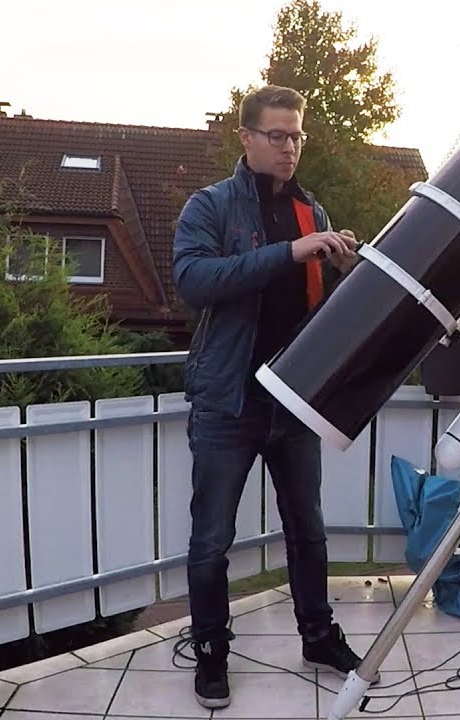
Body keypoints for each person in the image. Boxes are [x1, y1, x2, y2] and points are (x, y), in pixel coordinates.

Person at [171, 85, 363, 709]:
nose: (288, 147)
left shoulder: (314, 210)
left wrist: (342, 269)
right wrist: (291, 251)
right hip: (229, 402)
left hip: (295, 400)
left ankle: (317, 636)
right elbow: (194, 280)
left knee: (308, 529)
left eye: (297, 135)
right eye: (276, 135)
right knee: (211, 542)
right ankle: (210, 654)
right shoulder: (211, 205)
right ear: (246, 139)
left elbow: (322, 312)